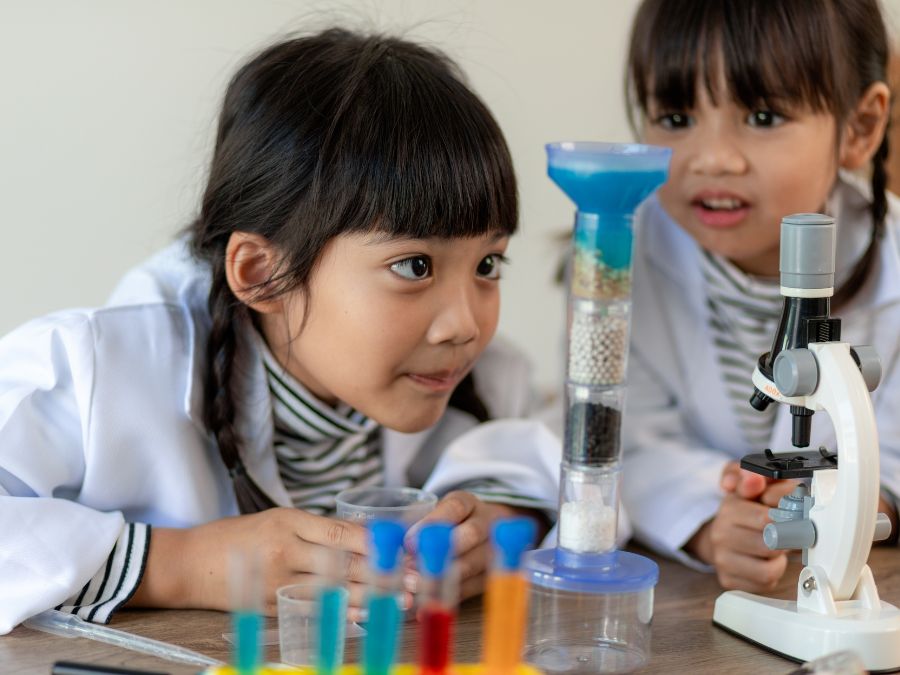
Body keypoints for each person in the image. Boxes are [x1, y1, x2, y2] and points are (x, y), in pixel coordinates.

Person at [0, 28, 558, 634]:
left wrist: (499, 521)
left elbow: (554, 451)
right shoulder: (94, 368)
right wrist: (186, 565)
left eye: (488, 265)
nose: (466, 323)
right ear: (263, 274)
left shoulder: (479, 370)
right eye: (414, 266)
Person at [620, 0, 900, 592]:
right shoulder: (623, 256)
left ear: (860, 128)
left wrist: (855, 501)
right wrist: (710, 519)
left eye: (765, 116)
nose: (712, 158)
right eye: (675, 118)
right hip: (687, 592)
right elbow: (628, 440)